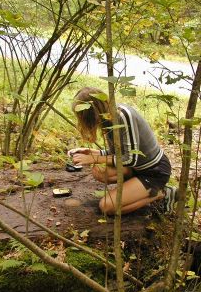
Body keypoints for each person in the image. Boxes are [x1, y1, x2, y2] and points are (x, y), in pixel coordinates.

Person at [68, 87, 178, 215]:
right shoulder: (106, 119)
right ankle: (136, 189)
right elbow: (118, 152)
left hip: (154, 172)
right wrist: (91, 152)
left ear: (92, 113)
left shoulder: (123, 116)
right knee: (100, 172)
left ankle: (162, 193)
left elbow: (131, 158)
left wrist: (95, 158)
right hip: (136, 169)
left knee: (106, 207)